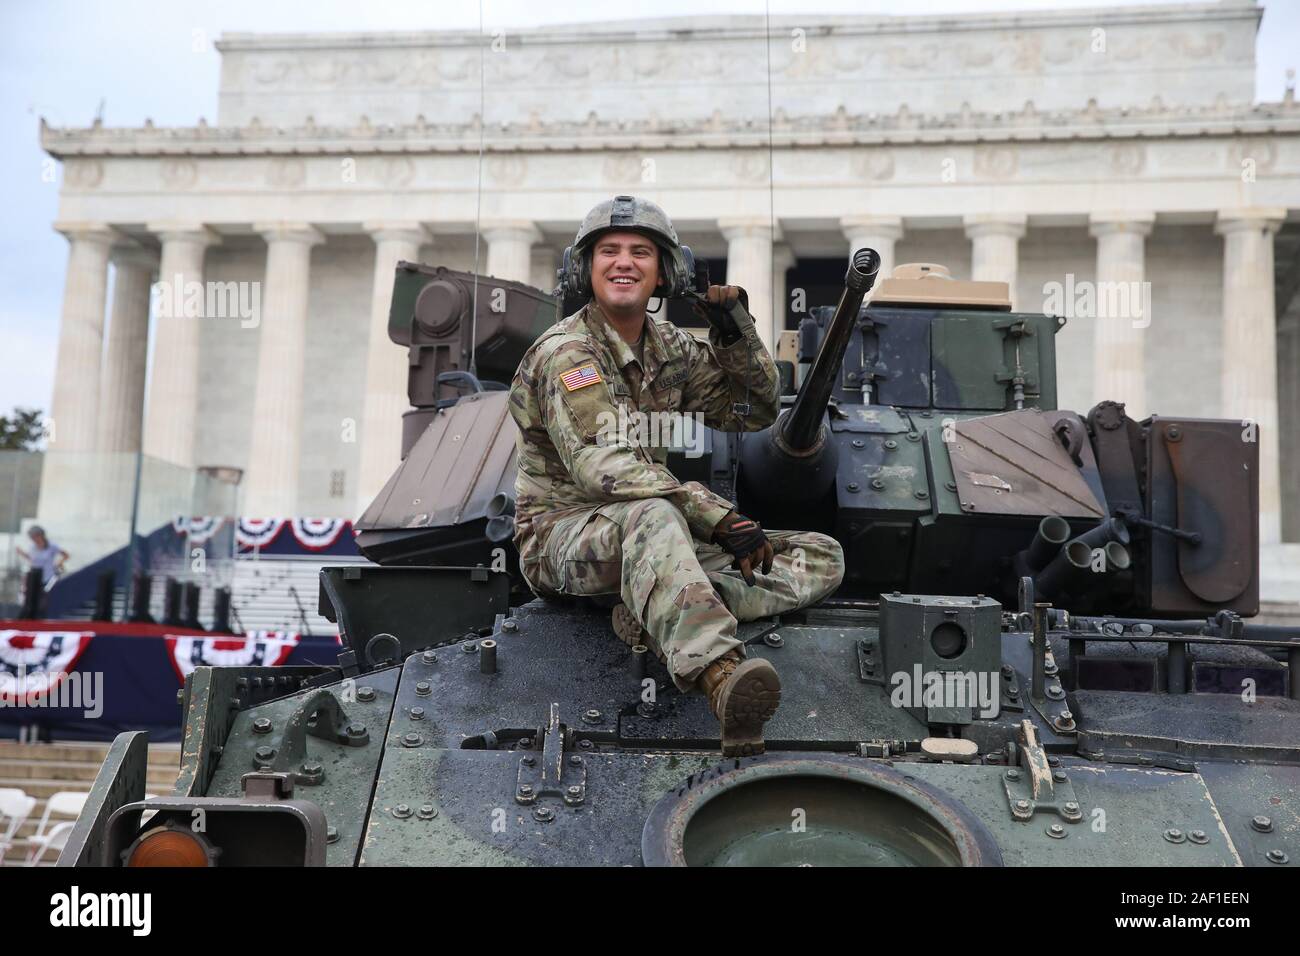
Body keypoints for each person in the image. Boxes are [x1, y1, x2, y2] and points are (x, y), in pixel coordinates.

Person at [508, 195, 844, 756]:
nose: (623, 263)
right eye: (608, 252)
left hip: (650, 534)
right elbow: (605, 471)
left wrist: (734, 331)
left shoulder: (669, 348)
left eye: (641, 252)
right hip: (561, 537)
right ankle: (722, 678)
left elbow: (754, 410)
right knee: (656, 514)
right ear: (582, 269)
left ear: (667, 270)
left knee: (820, 555)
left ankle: (651, 606)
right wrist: (716, 516)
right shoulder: (568, 353)